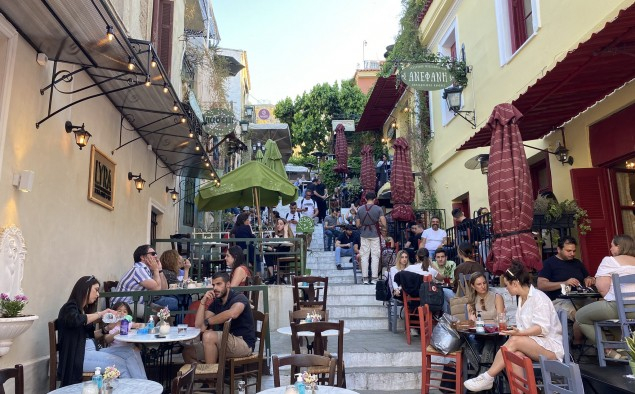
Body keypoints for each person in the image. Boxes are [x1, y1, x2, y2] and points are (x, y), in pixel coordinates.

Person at [464, 261, 564, 392]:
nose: (506, 289)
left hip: (550, 347)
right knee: (515, 355)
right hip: (534, 343)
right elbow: (526, 327)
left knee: (515, 340)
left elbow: (541, 329)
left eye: (507, 285)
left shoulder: (539, 298)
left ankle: (488, 377)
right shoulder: (522, 299)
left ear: (515, 283)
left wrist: (518, 333)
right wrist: (515, 330)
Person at [57, 276, 145, 386]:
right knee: (120, 364)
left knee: (131, 351)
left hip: (90, 352)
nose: (98, 294)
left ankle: (144, 386)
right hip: (79, 357)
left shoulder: (81, 310)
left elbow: (89, 336)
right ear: (85, 289)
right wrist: (100, 314)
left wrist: (107, 329)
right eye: (96, 290)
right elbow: (75, 320)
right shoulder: (69, 307)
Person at [576, 234, 635, 358]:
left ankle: (608, 350)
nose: (610, 249)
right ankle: (625, 349)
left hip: (620, 307)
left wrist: (611, 297)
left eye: (612, 246)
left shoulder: (609, 261)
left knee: (580, 316)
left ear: (619, 247)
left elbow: (602, 289)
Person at [185, 272, 256, 364]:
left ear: (228, 285)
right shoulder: (217, 302)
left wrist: (208, 322)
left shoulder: (239, 298)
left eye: (219, 284)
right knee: (188, 353)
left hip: (243, 343)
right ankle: (208, 373)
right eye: (213, 285)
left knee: (208, 336)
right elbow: (199, 326)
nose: (215, 288)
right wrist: (203, 302)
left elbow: (233, 313)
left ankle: (211, 375)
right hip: (225, 341)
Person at [537, 236, 594, 344]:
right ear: (559, 249)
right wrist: (564, 283)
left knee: (596, 313)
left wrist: (589, 279)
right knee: (580, 316)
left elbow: (588, 276)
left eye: (574, 251)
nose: (572, 254)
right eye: (568, 251)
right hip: (560, 300)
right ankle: (578, 343)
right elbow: (541, 285)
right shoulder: (549, 263)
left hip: (581, 298)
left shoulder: (577, 262)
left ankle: (588, 344)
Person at [110, 245, 168, 311]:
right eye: (153, 254)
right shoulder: (139, 269)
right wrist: (156, 270)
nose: (156, 256)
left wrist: (160, 270)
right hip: (123, 305)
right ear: (143, 257)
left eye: (156, 254)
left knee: (165, 311)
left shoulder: (148, 270)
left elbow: (164, 289)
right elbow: (156, 289)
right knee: (155, 314)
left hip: (139, 303)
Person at [356, 191, 387, 285]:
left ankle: (365, 278)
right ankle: (374, 278)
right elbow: (384, 223)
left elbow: (357, 224)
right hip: (375, 234)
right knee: (375, 256)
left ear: (365, 199)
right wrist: (381, 226)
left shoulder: (360, 209)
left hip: (364, 234)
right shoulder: (378, 209)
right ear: (374, 199)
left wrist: (364, 224)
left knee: (364, 256)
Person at [157, 250, 192, 324]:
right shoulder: (168, 273)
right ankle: (183, 323)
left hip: (167, 296)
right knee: (185, 300)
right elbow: (183, 286)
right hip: (162, 298)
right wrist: (186, 269)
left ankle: (183, 322)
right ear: (172, 261)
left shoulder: (169, 272)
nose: (181, 260)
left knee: (186, 299)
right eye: (178, 260)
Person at [265, 218, 293, 283]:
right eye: (277, 224)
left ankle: (280, 277)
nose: (278, 225)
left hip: (285, 253)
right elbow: (272, 246)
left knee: (281, 254)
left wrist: (286, 230)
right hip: (276, 253)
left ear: (284, 225)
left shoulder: (287, 234)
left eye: (281, 224)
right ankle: (272, 276)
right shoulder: (275, 235)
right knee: (267, 253)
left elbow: (286, 242)